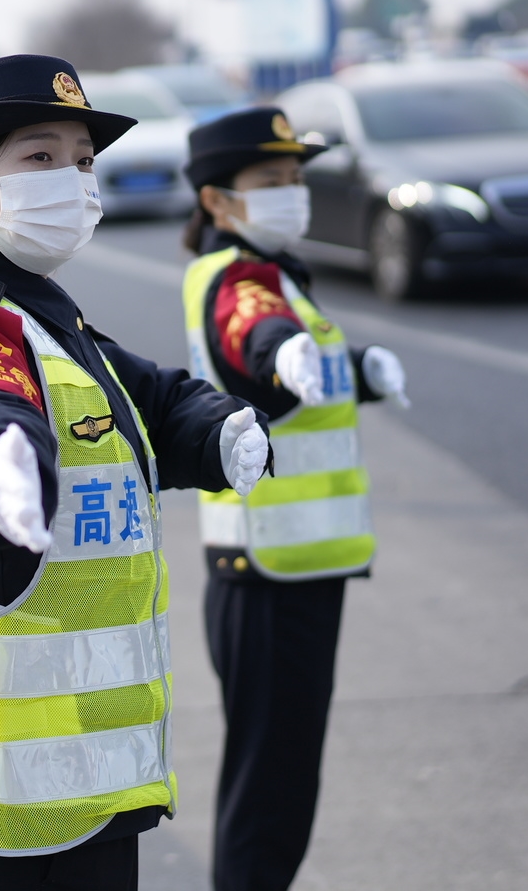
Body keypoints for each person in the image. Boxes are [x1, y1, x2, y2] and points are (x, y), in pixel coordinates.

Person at [0, 54, 274, 891]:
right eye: (39, 158)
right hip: (4, 806)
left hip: (86, 786)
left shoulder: (43, 318)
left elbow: (154, 398)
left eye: (82, 160)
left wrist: (217, 432)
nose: (72, 179)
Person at [177, 107, 410, 891]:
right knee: (269, 790)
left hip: (300, 567)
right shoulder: (236, 278)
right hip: (268, 572)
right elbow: (256, 333)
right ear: (218, 201)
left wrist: (363, 365)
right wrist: (283, 354)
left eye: (296, 178)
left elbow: (306, 359)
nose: (291, 193)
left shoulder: (275, 270)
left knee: (284, 778)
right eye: (270, 181)